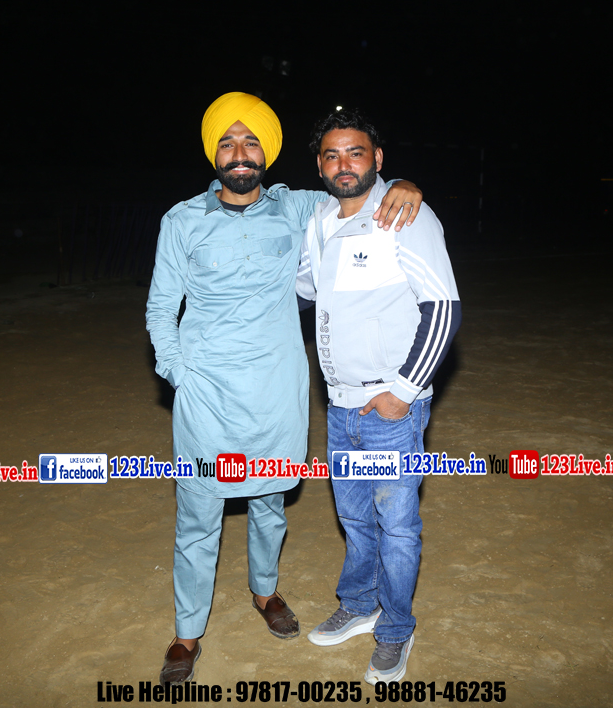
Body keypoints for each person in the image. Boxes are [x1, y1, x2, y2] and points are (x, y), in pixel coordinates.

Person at [145, 93, 422, 687]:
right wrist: (180, 375)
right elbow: (161, 308)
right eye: (228, 143)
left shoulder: (298, 208)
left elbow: (355, 187)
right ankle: (187, 633)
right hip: (206, 396)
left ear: (266, 153)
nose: (240, 153)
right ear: (214, 154)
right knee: (199, 513)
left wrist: (402, 183)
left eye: (251, 142)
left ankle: (266, 592)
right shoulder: (181, 220)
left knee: (270, 503)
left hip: (277, 392)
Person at [296, 109, 461, 684]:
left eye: (356, 152)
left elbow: (443, 308)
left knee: (396, 526)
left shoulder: (404, 214)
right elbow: (307, 289)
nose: (344, 164)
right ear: (320, 165)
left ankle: (395, 629)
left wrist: (405, 391)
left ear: (378, 159)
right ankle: (360, 604)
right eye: (332, 155)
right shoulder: (319, 222)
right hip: (340, 405)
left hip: (390, 410)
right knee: (355, 518)